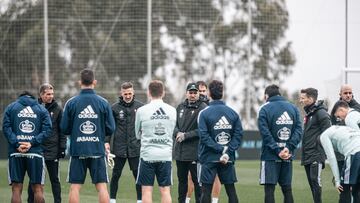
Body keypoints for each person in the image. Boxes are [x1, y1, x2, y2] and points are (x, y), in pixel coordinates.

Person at [60, 69, 115, 203]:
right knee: (102, 187)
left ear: (80, 82)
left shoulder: (71, 102)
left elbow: (64, 128)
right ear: (94, 82)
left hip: (78, 151)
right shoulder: (103, 102)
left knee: (75, 187)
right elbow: (111, 128)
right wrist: (99, 134)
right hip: (97, 150)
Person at [198, 80, 243, 203]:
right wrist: (227, 151)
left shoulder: (204, 113)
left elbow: (203, 136)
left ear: (209, 94)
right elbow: (238, 135)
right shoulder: (233, 113)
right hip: (227, 158)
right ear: (222, 93)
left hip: (209, 157)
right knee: (231, 191)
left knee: (206, 191)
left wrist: (220, 149)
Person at [3, 91, 52, 203]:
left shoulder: (11, 107)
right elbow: (47, 129)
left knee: (16, 189)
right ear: (33, 97)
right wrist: (32, 143)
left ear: (20, 97)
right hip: (35, 153)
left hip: (16, 153)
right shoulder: (41, 109)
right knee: (38, 189)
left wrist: (17, 143)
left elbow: (6, 127)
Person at [258, 84, 302, 203]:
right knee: (287, 189)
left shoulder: (264, 109)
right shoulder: (293, 108)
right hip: (287, 155)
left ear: (266, 96)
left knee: (269, 190)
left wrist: (278, 150)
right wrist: (288, 148)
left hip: (269, 156)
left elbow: (265, 133)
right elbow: (298, 130)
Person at [135, 80, 176, 203]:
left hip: (147, 156)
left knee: (146, 190)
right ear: (163, 93)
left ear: (148, 93)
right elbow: (172, 131)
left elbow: (137, 134)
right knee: (165, 190)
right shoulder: (172, 110)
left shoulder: (141, 111)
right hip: (165, 156)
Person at [27, 84, 67, 203]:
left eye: (52, 94)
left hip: (52, 151)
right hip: (36, 149)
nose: (51, 96)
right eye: (48, 94)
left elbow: (62, 131)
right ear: (41, 95)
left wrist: (62, 147)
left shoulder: (58, 109)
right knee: (34, 180)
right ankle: (30, 200)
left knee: (55, 179)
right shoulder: (34, 108)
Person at [108, 82, 144, 203]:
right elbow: (109, 128)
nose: (128, 96)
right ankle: (112, 200)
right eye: (125, 94)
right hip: (119, 148)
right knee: (116, 174)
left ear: (133, 92)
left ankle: (140, 200)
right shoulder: (114, 108)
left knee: (137, 175)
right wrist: (106, 142)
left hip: (135, 147)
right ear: (121, 93)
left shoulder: (141, 107)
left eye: (130, 93)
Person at [174, 82, 207, 203]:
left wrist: (186, 135)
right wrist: (177, 133)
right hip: (180, 153)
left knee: (197, 182)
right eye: (190, 92)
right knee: (182, 182)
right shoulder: (180, 107)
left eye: (195, 93)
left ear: (198, 93)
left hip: (195, 153)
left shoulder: (203, 107)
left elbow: (202, 130)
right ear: (186, 93)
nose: (193, 95)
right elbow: (174, 124)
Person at [299, 88, 331, 203]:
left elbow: (328, 133)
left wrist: (317, 144)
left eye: (303, 98)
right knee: (312, 183)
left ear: (311, 99)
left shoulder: (321, 113)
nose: (300, 100)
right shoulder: (309, 113)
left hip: (316, 154)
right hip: (307, 154)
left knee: (315, 181)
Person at [330, 84, 360, 203]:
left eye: (350, 93)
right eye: (345, 93)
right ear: (340, 94)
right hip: (340, 155)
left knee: (355, 188)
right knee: (343, 187)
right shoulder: (335, 110)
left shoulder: (357, 109)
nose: (348, 95)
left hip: (354, 153)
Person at [319, 125, 360, 202]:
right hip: (356, 149)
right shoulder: (339, 129)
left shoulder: (323, 136)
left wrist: (337, 181)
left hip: (354, 154)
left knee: (344, 188)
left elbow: (331, 158)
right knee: (357, 190)